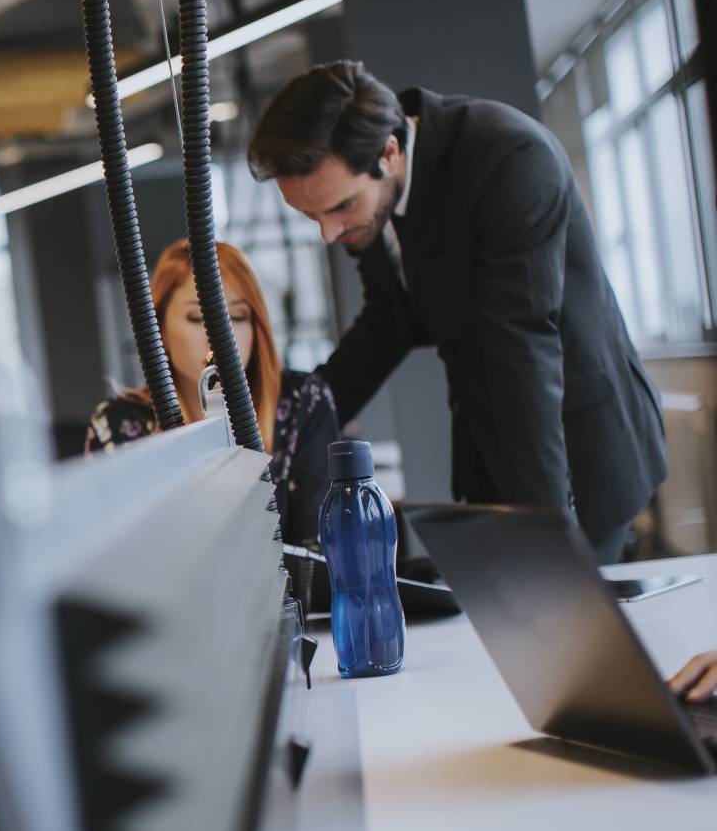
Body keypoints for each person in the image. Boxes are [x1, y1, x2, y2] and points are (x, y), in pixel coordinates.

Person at [247, 60, 667, 564]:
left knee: (573, 622)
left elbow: (521, 349)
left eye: (339, 208)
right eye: (310, 216)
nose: (329, 234)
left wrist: (547, 533)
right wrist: (289, 415)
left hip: (572, 438)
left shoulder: (508, 157)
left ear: (390, 152)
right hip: (490, 437)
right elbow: (390, 321)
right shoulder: (367, 204)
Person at [85, 238, 339, 544]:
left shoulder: (303, 402)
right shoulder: (117, 425)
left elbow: (318, 551)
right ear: (159, 329)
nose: (221, 334)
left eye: (237, 316)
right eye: (197, 318)